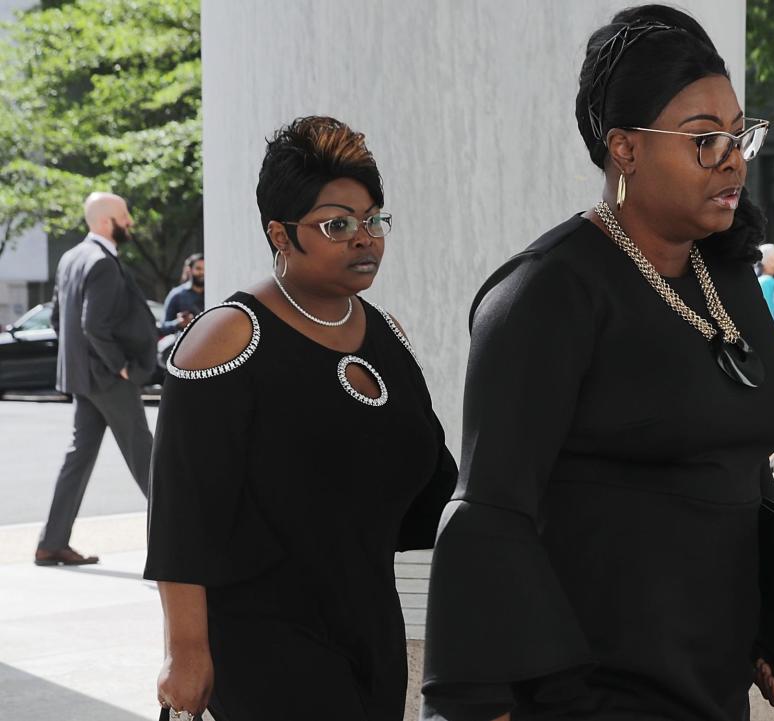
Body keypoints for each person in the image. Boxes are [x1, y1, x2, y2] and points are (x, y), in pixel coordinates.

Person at [420, 6, 774, 721]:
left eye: (737, 134)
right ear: (623, 149)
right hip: (589, 692)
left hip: (713, 683)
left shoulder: (725, 275)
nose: (732, 158)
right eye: (702, 140)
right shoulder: (547, 293)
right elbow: (489, 516)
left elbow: (737, 456)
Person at [144, 116, 457, 721]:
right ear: (281, 235)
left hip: (372, 633)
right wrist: (184, 651)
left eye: (373, 220)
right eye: (337, 224)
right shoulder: (229, 339)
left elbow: (432, 485)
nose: (364, 238)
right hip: (263, 640)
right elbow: (182, 513)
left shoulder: (388, 336)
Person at [35, 192, 157, 566]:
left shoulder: (71, 257)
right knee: (147, 458)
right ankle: (180, 543)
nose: (130, 222)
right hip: (107, 378)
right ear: (107, 222)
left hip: (83, 378)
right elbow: (93, 324)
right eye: (125, 216)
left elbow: (59, 320)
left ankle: (51, 543)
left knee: (79, 458)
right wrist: (120, 366)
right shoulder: (101, 262)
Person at [160, 253, 205, 336]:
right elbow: (163, 327)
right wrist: (178, 323)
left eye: (205, 269)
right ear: (189, 270)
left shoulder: (214, 293)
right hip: (187, 343)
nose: (202, 272)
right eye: (198, 269)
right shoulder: (177, 294)